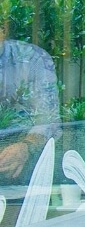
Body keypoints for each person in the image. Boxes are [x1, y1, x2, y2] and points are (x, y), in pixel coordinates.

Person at [0, 24, 60, 185]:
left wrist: (25, 147)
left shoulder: (31, 59)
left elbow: (47, 119)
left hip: (22, 166)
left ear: (3, 30)